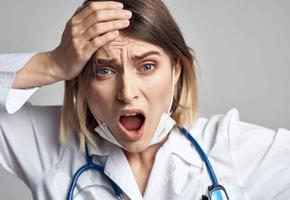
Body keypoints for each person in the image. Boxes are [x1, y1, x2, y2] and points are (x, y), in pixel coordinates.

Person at [0, 0, 290, 199]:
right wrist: (53, 64)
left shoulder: (226, 148)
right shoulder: (50, 149)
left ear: (176, 71)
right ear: (82, 83)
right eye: (104, 71)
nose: (127, 92)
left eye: (147, 66)